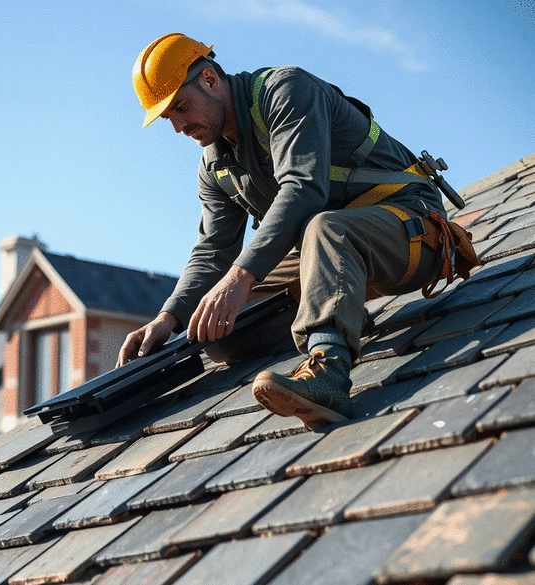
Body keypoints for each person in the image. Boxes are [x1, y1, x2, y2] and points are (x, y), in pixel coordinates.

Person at [117, 32, 464, 429]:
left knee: (323, 227)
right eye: (168, 118)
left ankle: (329, 373)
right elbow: (213, 252)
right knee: (217, 330)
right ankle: (340, 310)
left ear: (210, 79)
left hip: (412, 230)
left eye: (181, 107)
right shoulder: (215, 167)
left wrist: (240, 277)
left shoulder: (285, 90)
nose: (178, 126)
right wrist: (168, 318)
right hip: (333, 252)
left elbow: (303, 188)